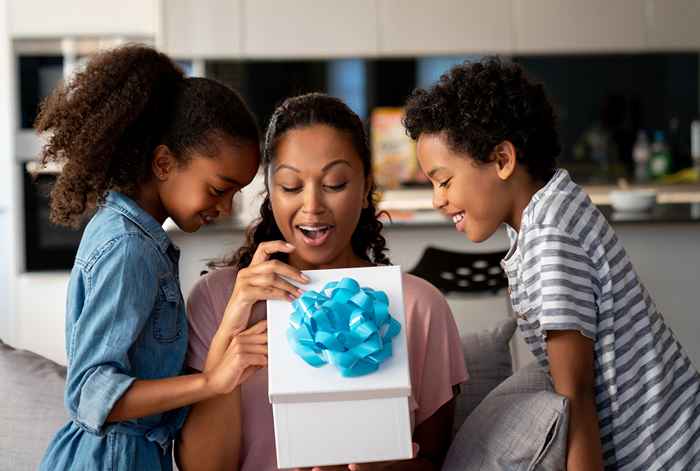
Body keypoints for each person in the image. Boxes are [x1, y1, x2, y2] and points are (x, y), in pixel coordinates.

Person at [404, 57, 700, 470]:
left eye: (444, 180)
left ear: (502, 160)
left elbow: (574, 397)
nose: (437, 199)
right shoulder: (546, 212)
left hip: (667, 456)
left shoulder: (549, 238)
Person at [178, 93, 467, 471]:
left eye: (334, 183)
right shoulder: (217, 298)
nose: (312, 206)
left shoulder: (419, 306)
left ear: (365, 189)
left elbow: (433, 460)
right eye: (291, 186)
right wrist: (232, 324)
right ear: (270, 192)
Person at [38, 44, 267, 470]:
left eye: (236, 193)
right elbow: (90, 392)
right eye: (219, 189)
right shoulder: (128, 248)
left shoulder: (135, 237)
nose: (224, 208)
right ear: (163, 162)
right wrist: (210, 383)